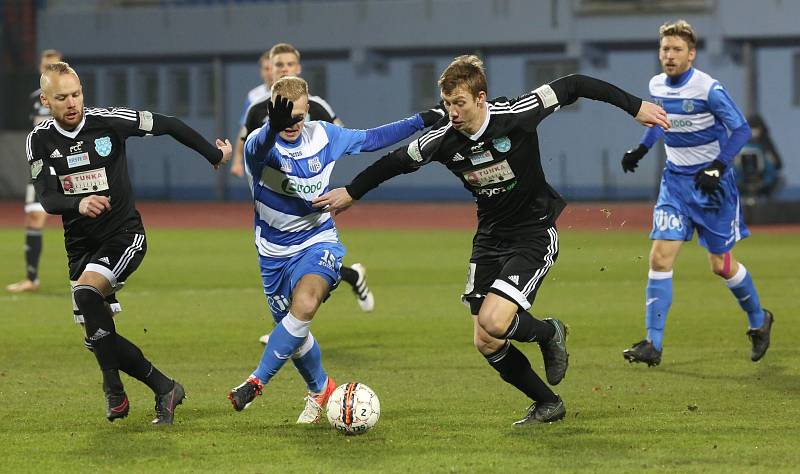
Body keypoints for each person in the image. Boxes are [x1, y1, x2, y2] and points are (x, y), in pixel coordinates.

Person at [313, 55, 669, 426]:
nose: (452, 112)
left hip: (533, 232)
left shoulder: (517, 113)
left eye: (460, 103)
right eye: (447, 103)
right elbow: (395, 162)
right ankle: (548, 403)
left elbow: (575, 84)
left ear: (481, 98)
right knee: (485, 340)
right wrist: (352, 192)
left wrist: (636, 107)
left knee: (495, 321)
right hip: (489, 239)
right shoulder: (442, 140)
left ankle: (550, 332)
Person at [227, 76, 442, 423]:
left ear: (308, 112)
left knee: (306, 303)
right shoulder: (259, 145)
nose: (293, 126)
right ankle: (321, 389)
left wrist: (423, 120)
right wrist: (272, 128)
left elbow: (372, 138)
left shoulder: (324, 135)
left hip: (318, 240)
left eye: (298, 118)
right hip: (272, 253)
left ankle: (256, 382)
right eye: (285, 119)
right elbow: (260, 146)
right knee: (293, 334)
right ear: (273, 114)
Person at [27, 62, 232, 424]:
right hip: (79, 246)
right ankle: (163, 388)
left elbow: (167, 124)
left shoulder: (108, 121)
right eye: (62, 97)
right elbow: (46, 198)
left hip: (124, 235)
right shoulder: (40, 139)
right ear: (46, 100)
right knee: (97, 336)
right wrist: (79, 202)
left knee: (87, 296)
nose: (72, 102)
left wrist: (213, 155)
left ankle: (117, 391)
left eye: (77, 94)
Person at [619, 19, 773, 367]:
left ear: (691, 54)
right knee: (660, 257)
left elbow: (741, 129)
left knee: (720, 265)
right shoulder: (657, 84)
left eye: (676, 50)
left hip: (713, 188)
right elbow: (661, 122)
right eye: (665, 49)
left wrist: (717, 166)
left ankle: (759, 319)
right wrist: (641, 149)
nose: (669, 56)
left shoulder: (708, 89)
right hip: (675, 185)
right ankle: (652, 344)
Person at [244, 44, 374, 347]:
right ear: (270, 70)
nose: (284, 69)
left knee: (308, 258)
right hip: (270, 191)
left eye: (290, 63)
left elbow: (339, 137)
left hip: (305, 191)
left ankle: (290, 327)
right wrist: (237, 162)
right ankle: (347, 280)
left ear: (298, 69)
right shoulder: (255, 107)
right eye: (279, 65)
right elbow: (250, 145)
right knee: (280, 259)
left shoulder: (317, 107)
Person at [7, 49, 63, 293]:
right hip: (41, 167)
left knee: (83, 217)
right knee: (33, 217)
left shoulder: (66, 97)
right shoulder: (35, 98)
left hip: (64, 166)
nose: (46, 69)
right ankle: (32, 279)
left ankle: (99, 271)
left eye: (52, 66)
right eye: (44, 66)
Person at [230, 50, 273, 179]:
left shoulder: (292, 92)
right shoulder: (254, 96)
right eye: (266, 68)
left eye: (273, 68)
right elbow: (245, 129)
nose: (270, 72)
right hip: (261, 155)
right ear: (261, 72)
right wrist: (237, 161)